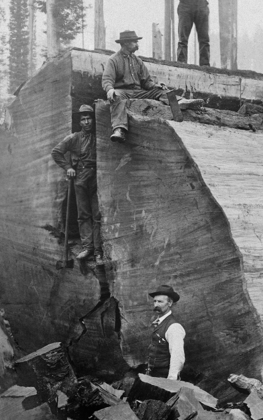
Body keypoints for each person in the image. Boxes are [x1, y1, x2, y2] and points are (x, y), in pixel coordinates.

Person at [102, 30, 203, 143]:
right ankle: (119, 129)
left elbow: (147, 82)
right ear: (125, 43)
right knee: (116, 95)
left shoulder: (137, 61)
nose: (137, 44)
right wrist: (110, 89)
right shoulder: (113, 60)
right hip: (123, 91)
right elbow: (107, 79)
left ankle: (179, 106)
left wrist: (156, 86)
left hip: (139, 91)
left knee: (161, 91)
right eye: (134, 42)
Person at [50, 105, 103, 263]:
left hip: (97, 177)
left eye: (89, 118)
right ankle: (88, 247)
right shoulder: (74, 138)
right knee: (83, 214)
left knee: (98, 215)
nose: (87, 122)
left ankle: (99, 251)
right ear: (80, 122)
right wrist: (68, 168)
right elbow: (56, 152)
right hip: (80, 178)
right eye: (83, 119)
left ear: (93, 120)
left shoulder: (98, 136)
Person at [146, 284, 187, 380]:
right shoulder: (158, 322)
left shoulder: (174, 327)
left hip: (164, 377)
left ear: (170, 303)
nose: (156, 305)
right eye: (154, 301)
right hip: (153, 375)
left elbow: (177, 357)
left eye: (160, 302)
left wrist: (171, 381)